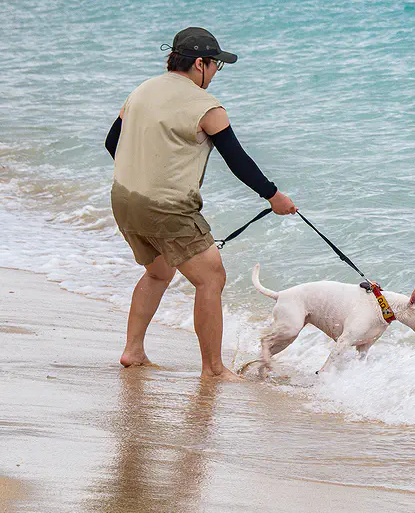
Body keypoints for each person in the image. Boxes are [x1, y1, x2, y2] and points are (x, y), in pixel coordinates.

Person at [105, 27, 296, 380]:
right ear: (199, 63)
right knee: (211, 277)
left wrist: (143, 173)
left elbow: (111, 143)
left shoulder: (142, 90)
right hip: (167, 206)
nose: (214, 74)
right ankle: (213, 369)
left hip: (124, 198)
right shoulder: (206, 107)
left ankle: (133, 351)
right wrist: (274, 197)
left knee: (158, 271)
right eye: (215, 66)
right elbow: (238, 161)